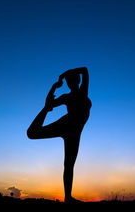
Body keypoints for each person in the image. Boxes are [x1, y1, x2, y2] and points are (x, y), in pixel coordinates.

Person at [27, 67, 91, 203]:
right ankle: (68, 197)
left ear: (69, 83)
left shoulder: (79, 94)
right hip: (67, 125)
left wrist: (57, 84)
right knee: (68, 164)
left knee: (68, 164)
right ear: (78, 81)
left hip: (72, 130)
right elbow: (84, 70)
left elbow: (84, 70)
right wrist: (58, 82)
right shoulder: (78, 94)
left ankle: (68, 197)